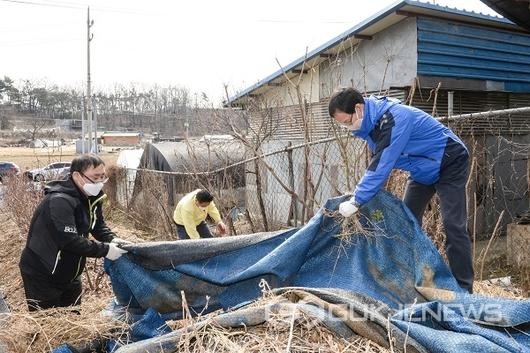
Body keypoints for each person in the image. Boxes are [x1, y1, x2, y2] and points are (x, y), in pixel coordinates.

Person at [328, 87, 474, 293]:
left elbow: (382, 162)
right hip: (422, 169)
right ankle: (410, 281)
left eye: (346, 122)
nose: (347, 127)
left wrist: (357, 199)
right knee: (406, 222)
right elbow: (378, 163)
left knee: (453, 224)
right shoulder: (371, 125)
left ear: (359, 108)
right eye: (342, 125)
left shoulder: (394, 119)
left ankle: (464, 289)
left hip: (450, 160)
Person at [19, 154, 128, 310]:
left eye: (103, 177)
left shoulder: (91, 198)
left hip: (70, 273)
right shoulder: (59, 201)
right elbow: (69, 240)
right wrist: (106, 250)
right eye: (95, 177)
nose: (100, 182)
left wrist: (113, 240)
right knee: (48, 325)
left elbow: (97, 226)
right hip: (43, 272)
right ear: (77, 175)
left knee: (72, 321)